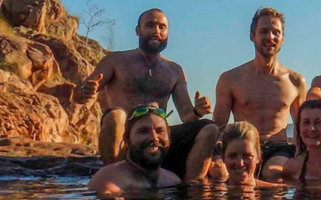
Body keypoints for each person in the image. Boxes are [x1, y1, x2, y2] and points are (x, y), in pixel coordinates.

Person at [73, 8, 218, 182]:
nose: (156, 31)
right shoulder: (116, 61)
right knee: (116, 115)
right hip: (127, 137)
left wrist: (198, 111)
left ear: (167, 33)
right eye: (150, 25)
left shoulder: (174, 71)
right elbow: (77, 96)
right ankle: (116, 176)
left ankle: (191, 185)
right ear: (138, 30)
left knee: (209, 128)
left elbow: (187, 116)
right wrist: (85, 91)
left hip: (159, 135)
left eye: (162, 27)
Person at [213, 7, 307, 181]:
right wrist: (217, 156)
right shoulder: (231, 78)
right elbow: (218, 126)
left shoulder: (295, 81)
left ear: (283, 39)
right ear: (252, 36)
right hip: (242, 147)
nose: (270, 37)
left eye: (276, 32)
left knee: (274, 172)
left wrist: (302, 156)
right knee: (219, 174)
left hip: (279, 149)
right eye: (264, 31)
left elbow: (302, 127)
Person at [87, 105, 184, 197]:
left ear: (169, 139)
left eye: (159, 131)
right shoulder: (110, 181)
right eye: (143, 131)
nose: (154, 138)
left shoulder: (173, 181)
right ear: (127, 140)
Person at [219, 122, 282, 187]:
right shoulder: (216, 193)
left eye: (247, 156)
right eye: (232, 156)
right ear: (223, 157)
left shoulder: (276, 191)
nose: (240, 163)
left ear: (258, 157)